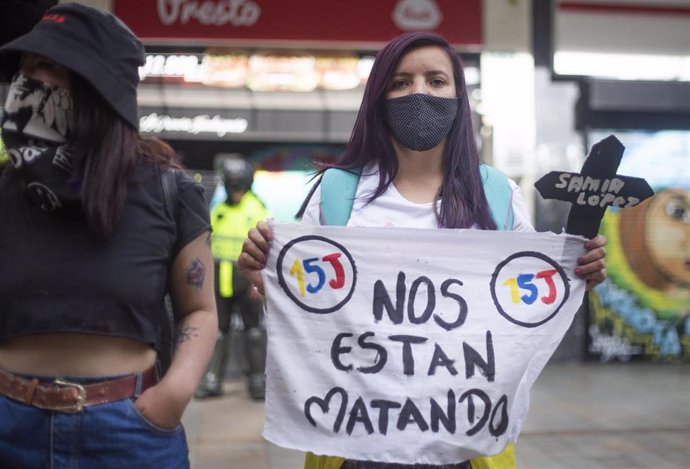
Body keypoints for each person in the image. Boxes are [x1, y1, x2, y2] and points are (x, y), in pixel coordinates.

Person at [238, 32, 608, 469]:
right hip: (353, 441)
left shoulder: (496, 193)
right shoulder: (337, 193)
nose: (419, 93)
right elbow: (307, 316)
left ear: (459, 98)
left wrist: (575, 269)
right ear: (379, 98)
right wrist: (266, 279)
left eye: (436, 81)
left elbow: (523, 306)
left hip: (465, 445)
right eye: (400, 82)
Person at [0, 4, 217, 468]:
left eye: (45, 66)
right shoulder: (5, 188)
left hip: (128, 434)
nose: (24, 83)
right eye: (23, 67)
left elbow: (199, 309)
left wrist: (171, 397)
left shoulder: (168, 189)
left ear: (96, 85)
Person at [195, 155, 270, 400]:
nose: (235, 190)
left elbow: (269, 248)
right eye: (231, 185)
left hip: (246, 278)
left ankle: (257, 380)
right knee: (218, 331)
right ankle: (213, 379)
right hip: (220, 278)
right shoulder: (218, 209)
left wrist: (258, 281)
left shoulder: (256, 209)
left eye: (238, 186)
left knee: (254, 331)